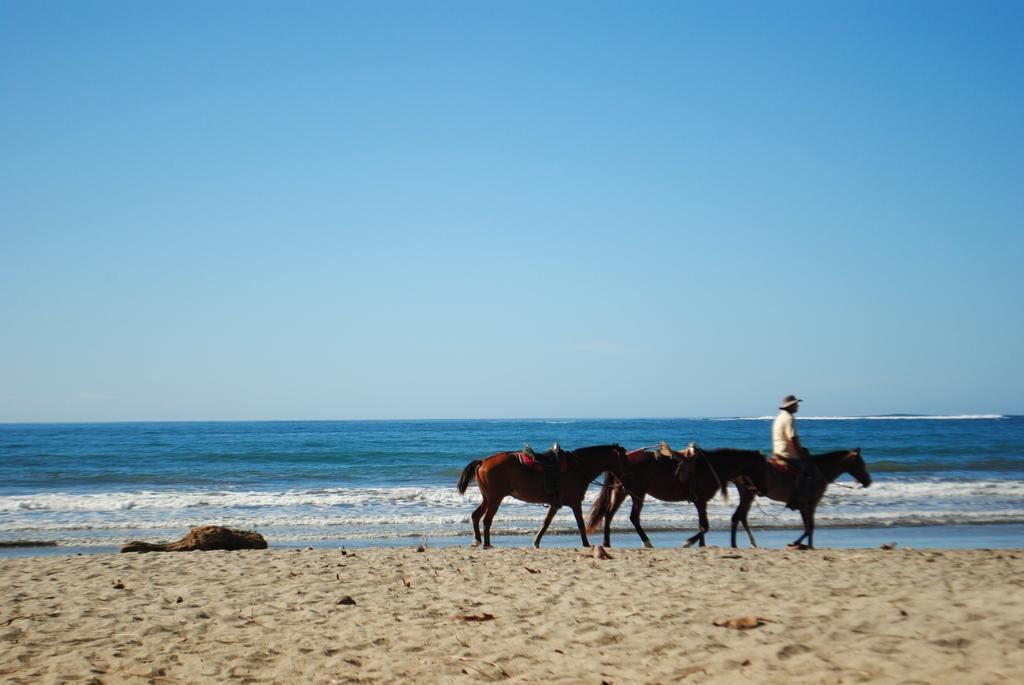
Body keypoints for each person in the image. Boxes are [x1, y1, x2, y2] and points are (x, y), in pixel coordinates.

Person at [772, 395, 819, 509]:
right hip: (787, 454)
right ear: (791, 406)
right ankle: (796, 499)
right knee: (809, 471)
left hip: (778, 452)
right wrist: (801, 452)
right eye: (796, 404)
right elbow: (793, 438)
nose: (797, 406)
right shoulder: (789, 418)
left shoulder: (779, 417)